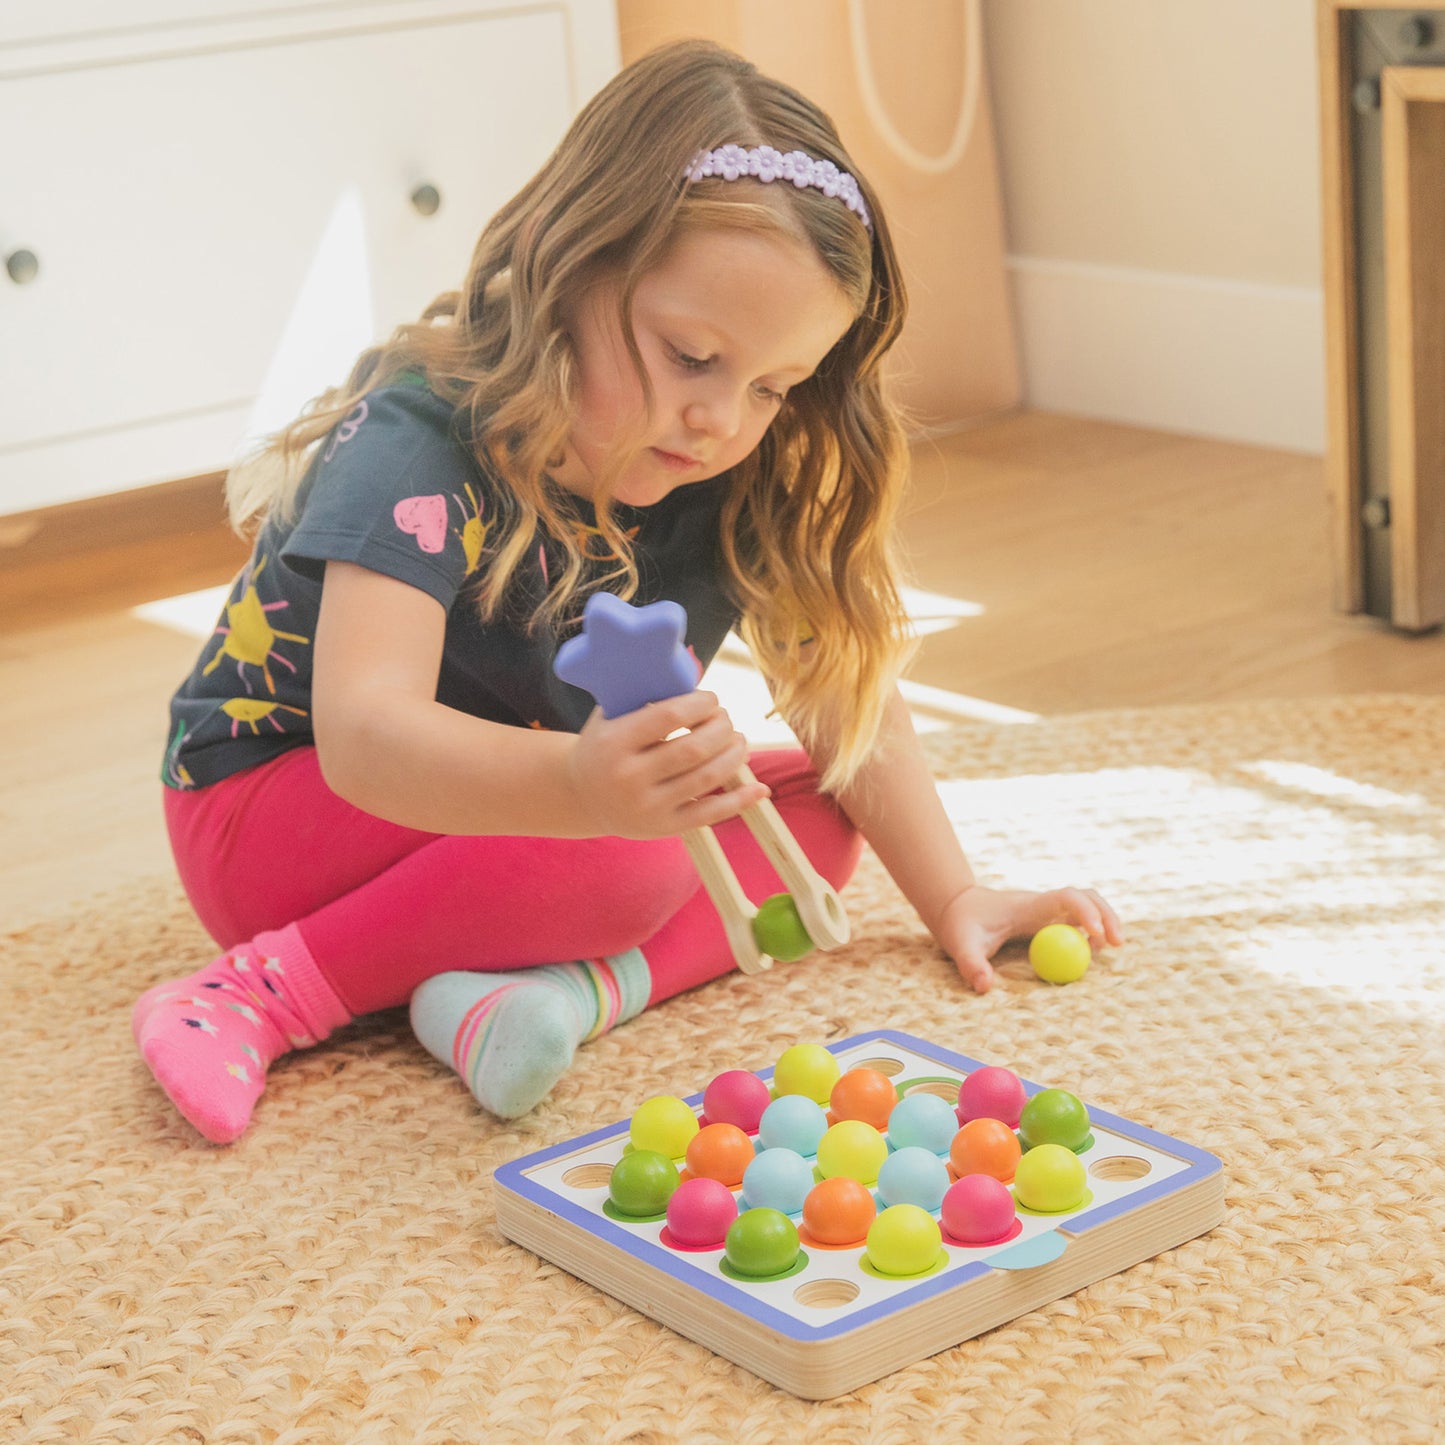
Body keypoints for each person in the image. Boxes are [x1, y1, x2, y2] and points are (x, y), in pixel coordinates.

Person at [136, 39, 1122, 1145]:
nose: (723, 419)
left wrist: (953, 895)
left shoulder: (736, 466)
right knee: (633, 847)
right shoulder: (416, 438)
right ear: (574, 267)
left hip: (512, 825)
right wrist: (580, 786)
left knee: (811, 803)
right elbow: (364, 738)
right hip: (276, 810)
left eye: (772, 385)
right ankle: (266, 990)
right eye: (690, 355)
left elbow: (843, 699)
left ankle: (537, 994)